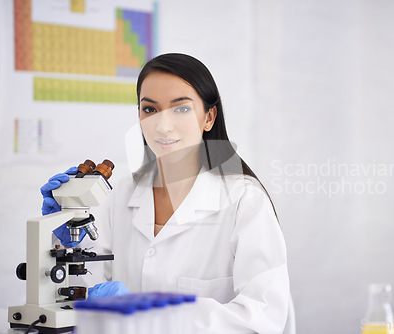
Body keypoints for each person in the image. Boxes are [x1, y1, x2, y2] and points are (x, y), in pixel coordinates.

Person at [41, 53, 293, 333]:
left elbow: (261, 319)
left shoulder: (245, 200)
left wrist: (153, 316)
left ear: (208, 117)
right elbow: (86, 291)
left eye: (181, 109)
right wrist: (62, 248)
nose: (163, 126)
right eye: (150, 109)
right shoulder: (122, 193)